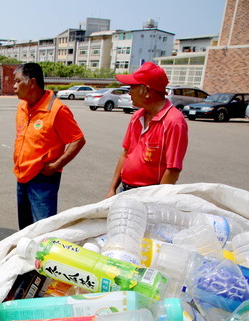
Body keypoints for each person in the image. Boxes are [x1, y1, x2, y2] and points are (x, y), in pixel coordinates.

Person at [13, 63, 86, 230]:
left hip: (43, 178)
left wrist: (56, 165)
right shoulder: (22, 106)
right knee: (25, 228)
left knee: (43, 228)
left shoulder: (57, 110)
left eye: (18, 81)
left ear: (32, 83)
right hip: (22, 175)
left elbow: (78, 140)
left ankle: (43, 256)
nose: (14, 86)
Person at [106, 62, 188, 197]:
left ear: (147, 91)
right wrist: (112, 189)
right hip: (125, 190)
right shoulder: (137, 116)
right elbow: (126, 153)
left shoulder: (174, 122)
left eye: (132, 87)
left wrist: (156, 201)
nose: (129, 92)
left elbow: (173, 169)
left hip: (149, 194)